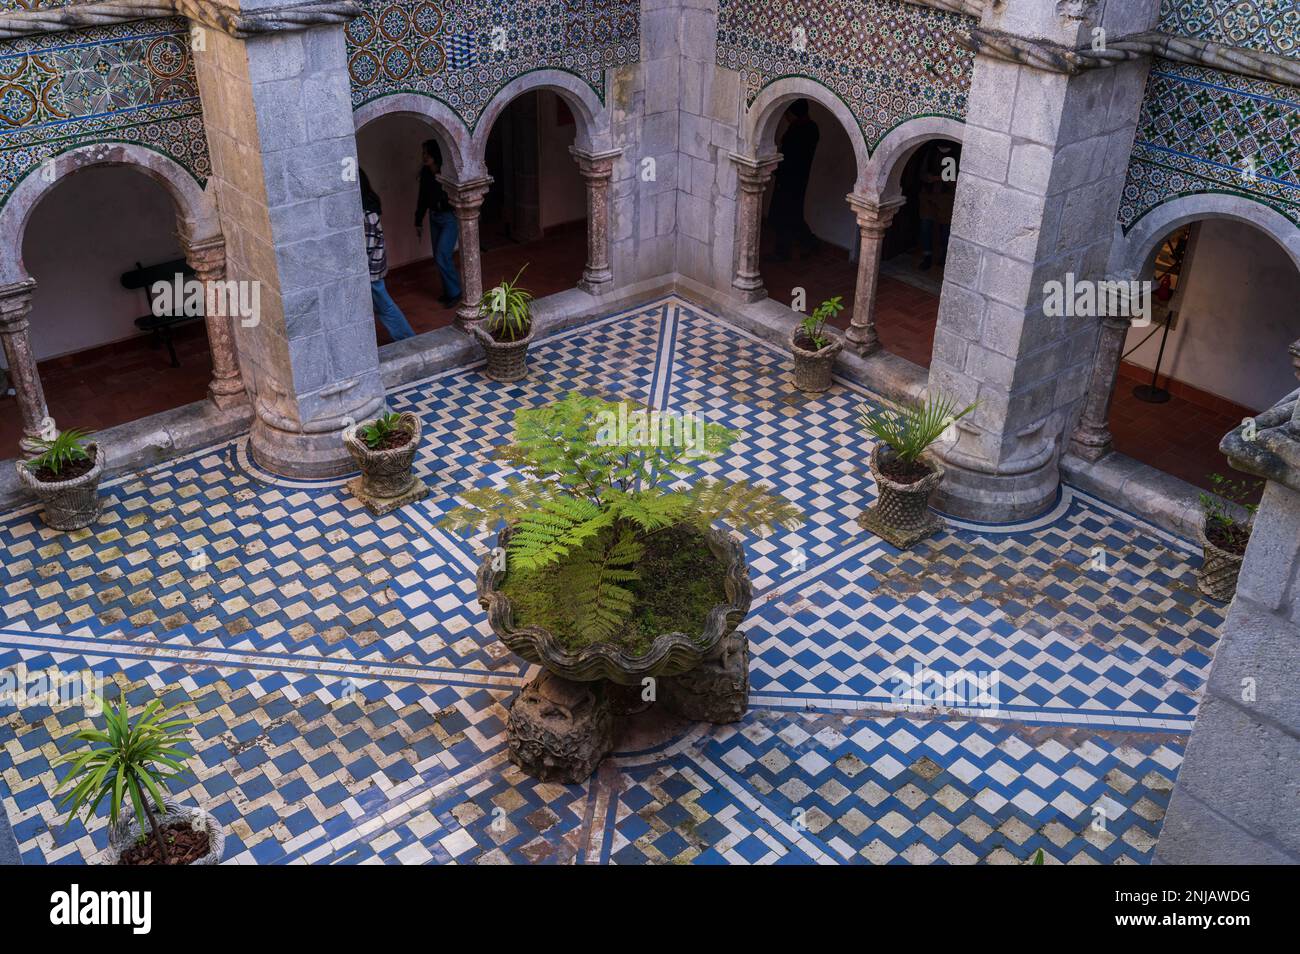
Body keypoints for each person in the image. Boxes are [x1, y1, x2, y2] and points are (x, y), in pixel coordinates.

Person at [360, 169, 416, 342]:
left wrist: (363, 274)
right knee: (382, 306)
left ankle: (408, 338)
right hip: (374, 268)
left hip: (371, 270)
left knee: (385, 307)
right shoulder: (368, 208)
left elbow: (368, 247)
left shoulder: (367, 215)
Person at [768, 99, 820, 261]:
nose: (786, 118)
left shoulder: (797, 131)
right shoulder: (812, 128)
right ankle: (810, 243)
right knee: (794, 214)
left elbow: (789, 157)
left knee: (783, 216)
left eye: (787, 114)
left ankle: (782, 253)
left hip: (788, 180)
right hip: (799, 179)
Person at [415, 140, 462, 307]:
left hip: (449, 218)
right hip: (434, 217)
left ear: (435, 154)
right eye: (423, 153)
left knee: (443, 255)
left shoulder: (446, 173)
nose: (424, 157)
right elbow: (422, 198)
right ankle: (449, 291)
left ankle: (456, 292)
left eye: (427, 153)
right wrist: (418, 221)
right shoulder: (426, 174)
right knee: (439, 256)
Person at [918, 141, 960, 271]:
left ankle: (944, 256)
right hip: (928, 197)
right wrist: (932, 178)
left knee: (946, 230)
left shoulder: (956, 154)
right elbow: (923, 174)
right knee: (926, 226)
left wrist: (938, 178)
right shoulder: (931, 152)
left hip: (946, 199)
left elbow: (953, 180)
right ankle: (927, 256)